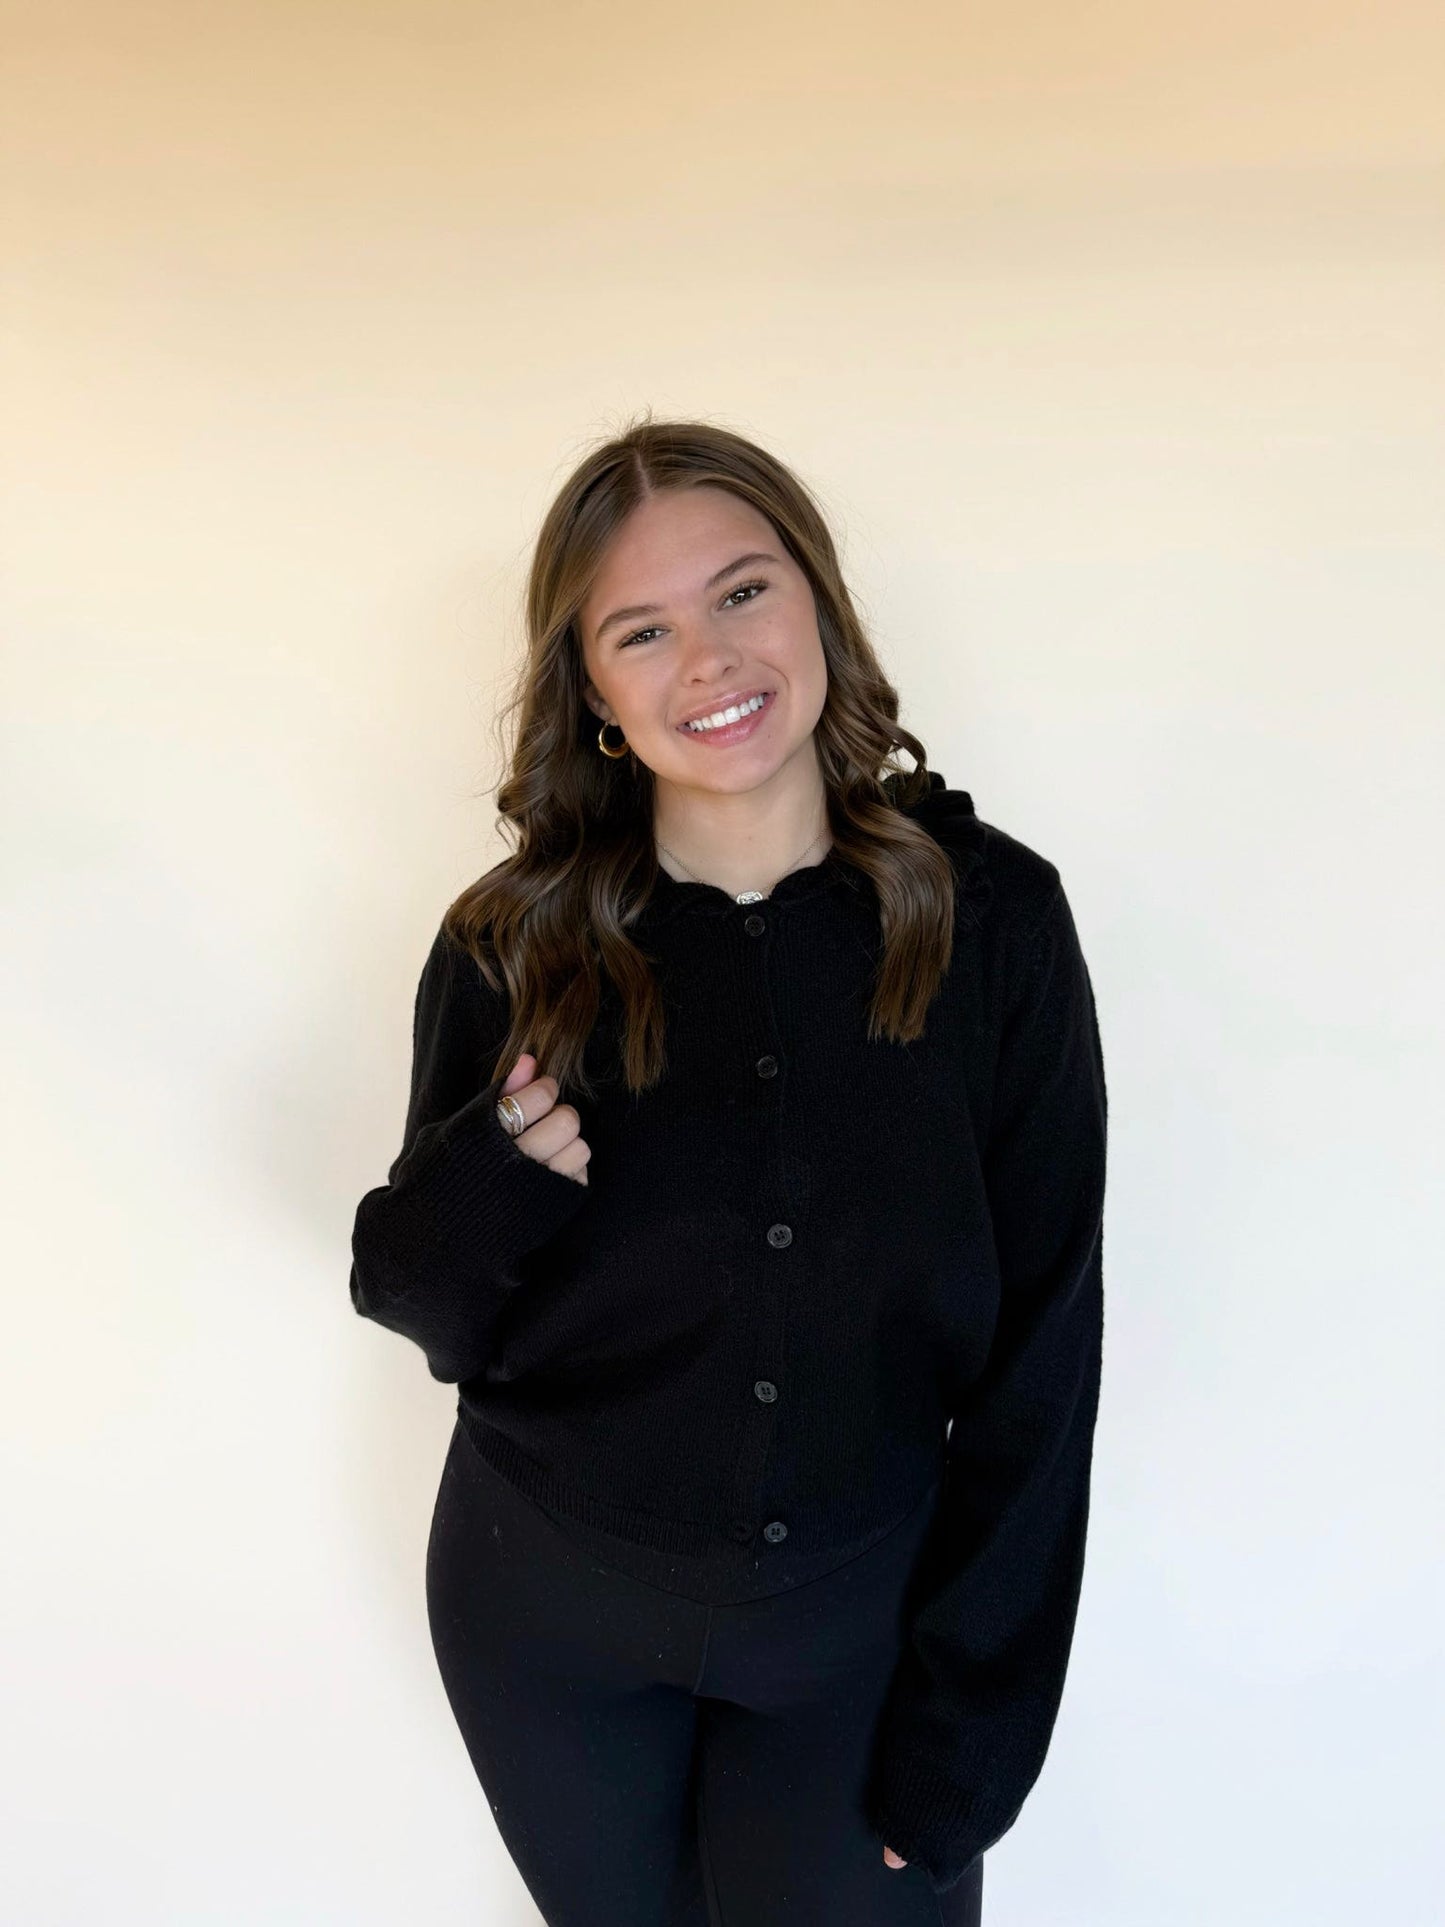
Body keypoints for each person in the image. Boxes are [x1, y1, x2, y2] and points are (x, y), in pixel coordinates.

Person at [348, 415, 1108, 1926]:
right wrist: (491, 1181)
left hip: (857, 1628)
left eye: (742, 593)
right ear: (596, 692)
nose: (707, 658)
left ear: (816, 601)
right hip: (543, 1605)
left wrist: (978, 1729)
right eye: (642, 628)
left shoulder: (994, 926)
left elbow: (1044, 1355)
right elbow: (421, 1306)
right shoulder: (513, 943)